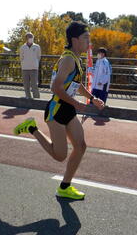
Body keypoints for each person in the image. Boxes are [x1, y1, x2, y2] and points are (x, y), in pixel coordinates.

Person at [13, 21, 104, 200]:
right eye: (86, 38)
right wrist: (77, 105)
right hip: (56, 110)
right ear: (74, 39)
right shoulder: (68, 59)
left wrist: (92, 98)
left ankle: (64, 187)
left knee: (81, 146)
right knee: (60, 155)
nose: (89, 42)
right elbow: (56, 88)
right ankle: (32, 128)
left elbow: (77, 85)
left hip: (68, 108)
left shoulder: (76, 58)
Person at [20, 32, 41, 99]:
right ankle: (28, 97)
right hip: (25, 68)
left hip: (34, 68)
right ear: (26, 38)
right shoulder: (22, 47)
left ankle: (37, 99)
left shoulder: (37, 47)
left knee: (34, 85)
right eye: (29, 37)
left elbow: (38, 56)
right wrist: (24, 63)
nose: (31, 38)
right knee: (26, 85)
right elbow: (21, 57)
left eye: (32, 37)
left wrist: (35, 63)